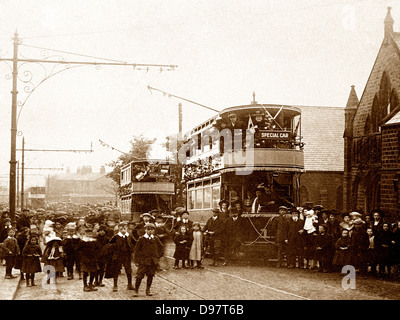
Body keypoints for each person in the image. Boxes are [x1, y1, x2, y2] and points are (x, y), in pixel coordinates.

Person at [133, 223, 163, 297]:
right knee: (139, 276)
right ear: (145, 230)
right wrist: (137, 260)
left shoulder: (155, 239)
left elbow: (161, 248)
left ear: (154, 231)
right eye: (148, 229)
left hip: (152, 261)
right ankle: (136, 290)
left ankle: (148, 290)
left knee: (150, 275)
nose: (150, 231)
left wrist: (157, 257)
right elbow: (136, 250)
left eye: (152, 230)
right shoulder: (141, 239)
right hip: (143, 261)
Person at [108, 221, 135, 292]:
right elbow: (110, 244)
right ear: (119, 229)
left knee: (128, 270)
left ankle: (129, 284)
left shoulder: (129, 236)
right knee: (116, 270)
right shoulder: (116, 236)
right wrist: (115, 248)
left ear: (127, 229)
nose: (123, 230)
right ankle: (115, 285)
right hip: (118, 255)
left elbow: (135, 242)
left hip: (127, 255)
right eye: (121, 229)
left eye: (124, 229)